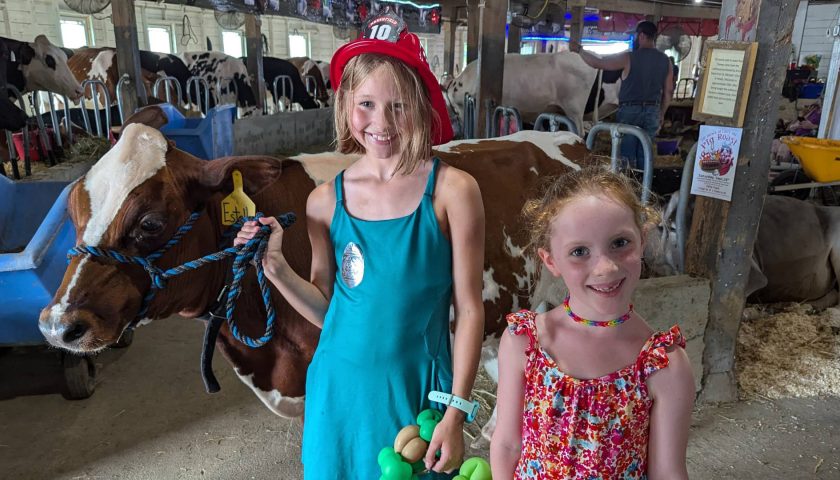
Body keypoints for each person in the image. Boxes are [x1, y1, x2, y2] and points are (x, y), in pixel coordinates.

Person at [235, 12, 485, 480]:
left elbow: (470, 310)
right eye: (366, 103)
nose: (382, 123)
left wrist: (456, 413)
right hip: (338, 392)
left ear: (422, 103)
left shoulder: (454, 191)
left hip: (415, 391)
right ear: (345, 104)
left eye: (398, 105)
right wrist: (275, 269)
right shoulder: (325, 201)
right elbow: (328, 307)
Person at [490, 166, 695, 479]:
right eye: (579, 251)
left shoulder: (662, 365)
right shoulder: (524, 342)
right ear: (551, 261)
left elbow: (667, 473)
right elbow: (507, 444)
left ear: (642, 240)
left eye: (619, 243)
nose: (605, 267)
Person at [570, 21, 674, 169]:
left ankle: (628, 186)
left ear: (642, 35)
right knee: (645, 152)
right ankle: (644, 187)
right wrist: (661, 113)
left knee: (626, 153)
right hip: (653, 111)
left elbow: (598, 63)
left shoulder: (628, 58)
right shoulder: (666, 61)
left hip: (630, 111)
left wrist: (579, 50)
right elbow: (668, 90)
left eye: (638, 35)